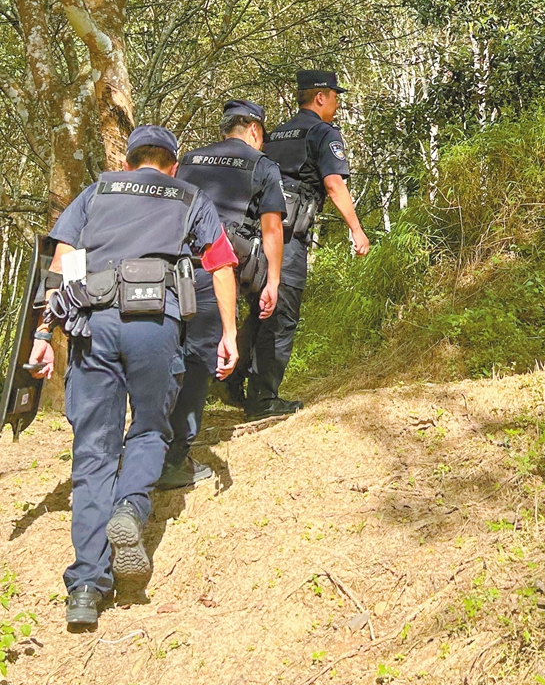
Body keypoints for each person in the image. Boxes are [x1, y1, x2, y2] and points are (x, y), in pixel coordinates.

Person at [25, 125, 239, 628]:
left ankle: (83, 586)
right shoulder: (189, 196)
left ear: (128, 162)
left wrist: (42, 333)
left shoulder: (98, 191)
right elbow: (221, 264)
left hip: (93, 324)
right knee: (147, 429)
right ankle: (130, 508)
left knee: (93, 450)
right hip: (155, 326)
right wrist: (229, 332)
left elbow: (61, 264)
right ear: (172, 163)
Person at [157, 100, 286, 488]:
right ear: (253, 129)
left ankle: (148, 442)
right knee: (198, 361)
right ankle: (173, 460)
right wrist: (273, 281)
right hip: (216, 272)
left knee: (163, 354)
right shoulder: (262, 165)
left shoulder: (190, 158)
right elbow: (273, 230)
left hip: (167, 267)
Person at [235, 69, 369, 417]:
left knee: (260, 309)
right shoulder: (323, 133)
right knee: (280, 316)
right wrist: (356, 229)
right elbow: (334, 184)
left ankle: (234, 383)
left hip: (258, 234)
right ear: (320, 97)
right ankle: (263, 400)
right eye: (335, 97)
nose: (337, 104)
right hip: (289, 238)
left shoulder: (276, 134)